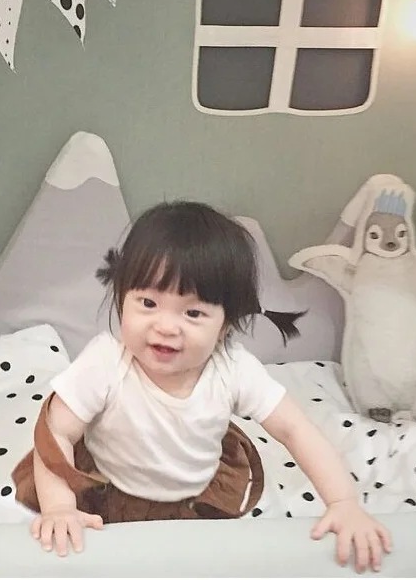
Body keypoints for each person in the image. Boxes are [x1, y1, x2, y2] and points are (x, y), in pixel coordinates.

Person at [24, 200, 393, 573]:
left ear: (225, 325)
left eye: (193, 312)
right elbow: (56, 432)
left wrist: (343, 503)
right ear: (122, 299)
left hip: (198, 495)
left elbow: (295, 429)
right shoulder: (105, 363)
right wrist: (60, 507)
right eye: (148, 302)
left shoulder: (232, 369)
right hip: (113, 489)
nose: (166, 326)